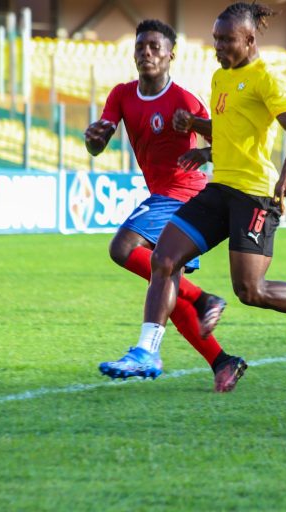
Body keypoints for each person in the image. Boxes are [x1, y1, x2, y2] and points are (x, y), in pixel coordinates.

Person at [136, 2, 286, 365]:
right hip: (220, 187)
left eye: (226, 40)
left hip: (255, 195)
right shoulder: (220, 77)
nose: (218, 47)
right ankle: (146, 352)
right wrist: (197, 130)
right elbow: (229, 132)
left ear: (250, 39)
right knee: (163, 256)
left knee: (250, 290)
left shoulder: (266, 79)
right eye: (215, 39)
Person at [84, 19, 245, 392]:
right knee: (167, 284)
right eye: (141, 46)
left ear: (171, 54)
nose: (147, 53)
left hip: (184, 193)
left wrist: (203, 148)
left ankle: (199, 302)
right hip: (161, 194)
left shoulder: (185, 101)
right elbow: (98, 142)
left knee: (122, 247)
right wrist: (94, 139)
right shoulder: (122, 95)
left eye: (156, 47)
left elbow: (227, 142)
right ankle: (223, 361)